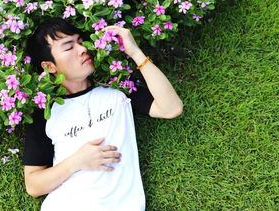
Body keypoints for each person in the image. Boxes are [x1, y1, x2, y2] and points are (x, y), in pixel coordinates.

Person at [23, 17, 183, 211]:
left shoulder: (119, 91)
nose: (83, 50)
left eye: (81, 42)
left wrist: (135, 52)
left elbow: (171, 108)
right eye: (68, 47)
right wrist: (77, 161)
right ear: (50, 66)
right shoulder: (45, 113)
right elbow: (33, 185)